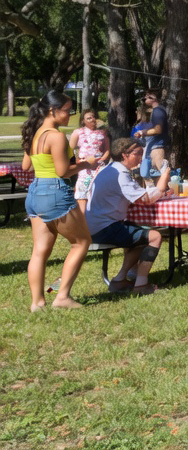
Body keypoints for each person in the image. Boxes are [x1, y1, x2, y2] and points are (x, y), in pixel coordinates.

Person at [21, 92, 97, 311]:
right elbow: (63, 171)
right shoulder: (56, 136)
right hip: (54, 191)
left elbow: (27, 166)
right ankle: (62, 296)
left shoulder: (35, 133)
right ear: (52, 110)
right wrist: (86, 164)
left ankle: (37, 302)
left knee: (39, 250)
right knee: (82, 242)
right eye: (67, 110)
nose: (70, 115)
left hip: (35, 192)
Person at [86, 137, 173, 295]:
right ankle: (141, 285)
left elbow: (131, 196)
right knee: (154, 236)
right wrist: (163, 181)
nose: (140, 157)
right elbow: (146, 199)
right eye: (137, 153)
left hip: (95, 225)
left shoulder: (109, 169)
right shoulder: (121, 174)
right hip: (104, 227)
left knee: (143, 234)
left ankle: (119, 280)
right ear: (124, 155)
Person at [69, 110, 109, 214]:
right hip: (84, 167)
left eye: (93, 117)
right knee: (82, 192)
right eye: (89, 118)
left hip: (99, 167)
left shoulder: (103, 133)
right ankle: (82, 217)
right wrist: (78, 161)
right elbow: (70, 150)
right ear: (83, 121)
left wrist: (101, 160)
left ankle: (97, 216)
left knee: (99, 192)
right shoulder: (78, 132)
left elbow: (107, 150)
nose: (92, 119)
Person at [134, 89, 168, 178]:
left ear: (154, 98)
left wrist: (143, 132)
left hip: (157, 147)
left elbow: (158, 130)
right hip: (155, 145)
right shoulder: (157, 110)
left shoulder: (157, 111)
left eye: (147, 95)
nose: (145, 97)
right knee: (154, 174)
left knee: (160, 175)